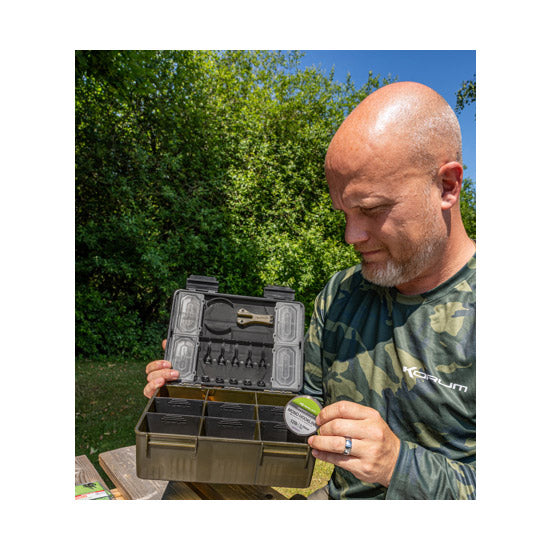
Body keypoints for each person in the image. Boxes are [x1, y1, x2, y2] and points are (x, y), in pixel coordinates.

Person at [144, 81, 476, 500]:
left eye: (371, 209)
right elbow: (299, 413)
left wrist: (397, 464)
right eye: (344, 213)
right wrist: (196, 397)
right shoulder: (342, 293)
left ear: (447, 186)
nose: (351, 236)